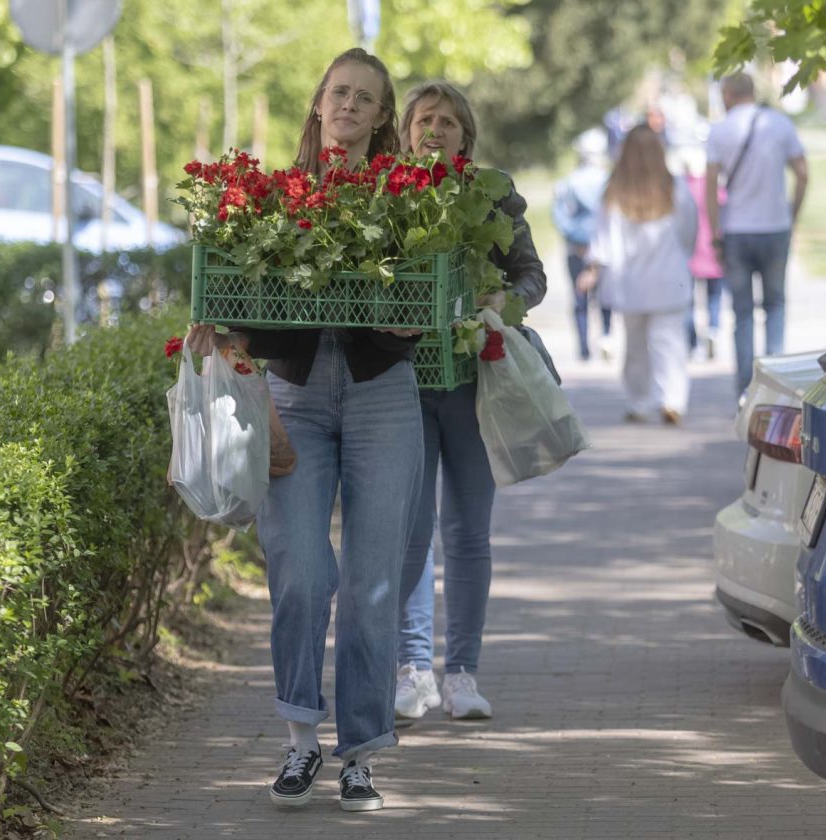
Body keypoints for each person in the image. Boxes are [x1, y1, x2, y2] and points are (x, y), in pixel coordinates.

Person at [185, 47, 420, 814]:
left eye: (365, 99)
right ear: (319, 105)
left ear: (383, 118)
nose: (348, 106)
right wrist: (219, 333)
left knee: (371, 583)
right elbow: (240, 297)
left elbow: (423, 301)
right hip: (290, 400)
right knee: (300, 573)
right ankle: (298, 740)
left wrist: (406, 313)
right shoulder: (272, 197)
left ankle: (360, 753)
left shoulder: (404, 195)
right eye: (338, 93)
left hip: (381, 393)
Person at [392, 80, 546, 725]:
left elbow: (531, 277)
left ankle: (462, 676)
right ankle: (412, 673)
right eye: (424, 120)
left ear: (466, 135)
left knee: (467, 533)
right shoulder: (385, 198)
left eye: (449, 122)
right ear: (404, 133)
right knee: (410, 532)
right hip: (402, 383)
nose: (435, 130)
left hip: (473, 384)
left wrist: (498, 304)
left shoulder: (494, 194)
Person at [578, 124, 697, 425]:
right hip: (669, 277)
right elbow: (689, 232)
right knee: (669, 342)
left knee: (634, 346)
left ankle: (639, 401)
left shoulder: (614, 191)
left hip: (629, 282)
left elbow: (601, 241)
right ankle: (672, 399)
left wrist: (593, 268)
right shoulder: (675, 189)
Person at [704, 71, 809, 397]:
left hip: (737, 230)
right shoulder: (779, 125)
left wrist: (715, 230)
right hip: (775, 227)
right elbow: (803, 174)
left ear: (729, 94)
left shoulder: (720, 131)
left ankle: (746, 390)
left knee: (742, 313)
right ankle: (776, 388)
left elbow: (710, 186)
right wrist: (791, 215)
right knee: (775, 306)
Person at [552, 129, 612, 361]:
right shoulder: (608, 181)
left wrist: (577, 240)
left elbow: (560, 216)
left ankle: (584, 348)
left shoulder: (569, 182)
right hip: (604, 249)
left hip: (575, 249)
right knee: (605, 297)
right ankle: (607, 337)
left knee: (579, 298)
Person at [683, 150, 725, 359]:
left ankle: (692, 342)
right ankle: (713, 330)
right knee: (714, 297)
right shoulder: (715, 188)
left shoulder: (682, 188)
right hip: (712, 249)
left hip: (688, 252)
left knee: (688, 301)